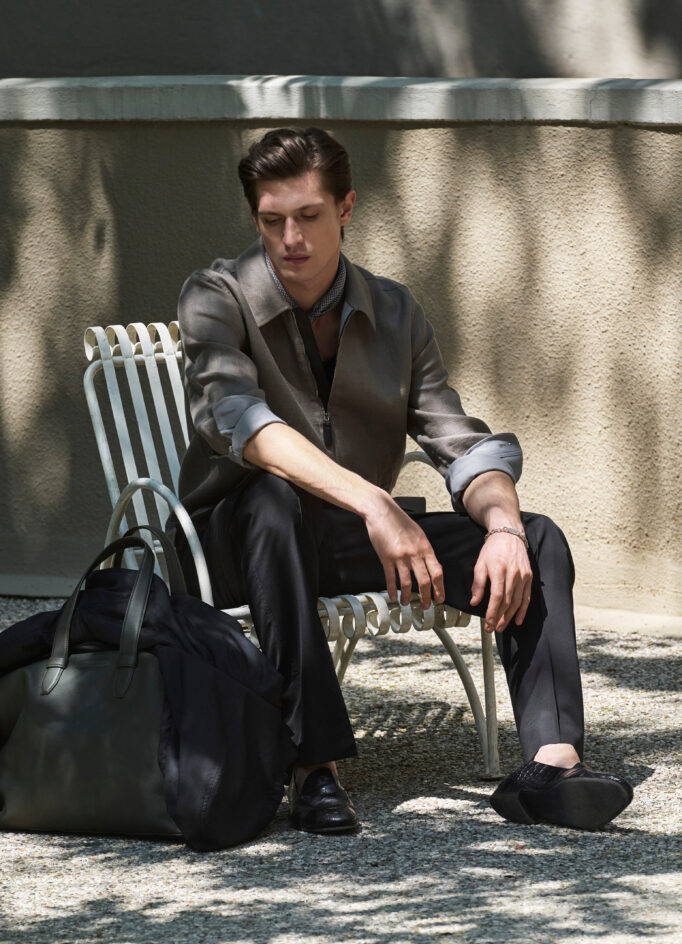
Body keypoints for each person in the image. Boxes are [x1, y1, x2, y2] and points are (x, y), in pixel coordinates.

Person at [174, 126, 633, 835]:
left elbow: (460, 443)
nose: (290, 238)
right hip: (229, 546)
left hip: (343, 537)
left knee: (536, 538)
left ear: (346, 208)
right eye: (272, 220)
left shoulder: (394, 312)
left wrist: (503, 528)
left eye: (309, 216)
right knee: (270, 499)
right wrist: (375, 503)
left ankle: (551, 768)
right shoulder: (216, 296)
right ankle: (313, 767)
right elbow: (242, 423)